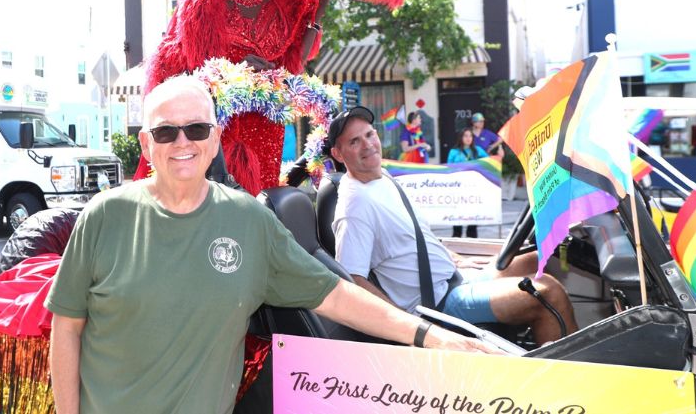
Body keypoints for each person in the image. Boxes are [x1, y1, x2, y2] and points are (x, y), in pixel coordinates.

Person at [46, 76, 499, 414]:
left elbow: (336, 295)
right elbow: (66, 329)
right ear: (146, 143)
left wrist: (430, 335)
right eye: (166, 132)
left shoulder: (249, 221)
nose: (182, 143)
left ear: (215, 138)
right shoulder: (104, 216)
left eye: (197, 129)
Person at [328, 106, 578, 346]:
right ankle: (573, 382)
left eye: (369, 134)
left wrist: (456, 259)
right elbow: (353, 280)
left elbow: (417, 238)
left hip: (454, 278)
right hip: (437, 305)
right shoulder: (354, 207)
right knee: (549, 294)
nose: (368, 144)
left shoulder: (381, 177)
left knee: (538, 258)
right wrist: (408, 327)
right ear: (338, 154)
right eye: (354, 142)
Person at [134, 0, 338, 195]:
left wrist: (322, 3)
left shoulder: (284, 0)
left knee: (260, 210)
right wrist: (233, 70)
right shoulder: (199, 3)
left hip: (266, 127)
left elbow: (294, 64)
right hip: (216, 131)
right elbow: (179, 76)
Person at [447, 128, 487, 238]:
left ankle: (472, 239)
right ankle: (456, 237)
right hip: (458, 188)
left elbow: (489, 163)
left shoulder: (478, 150)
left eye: (470, 136)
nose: (468, 138)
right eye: (466, 136)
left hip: (473, 188)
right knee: (457, 215)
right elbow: (448, 169)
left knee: (473, 216)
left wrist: (499, 156)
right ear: (461, 137)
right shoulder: (454, 152)